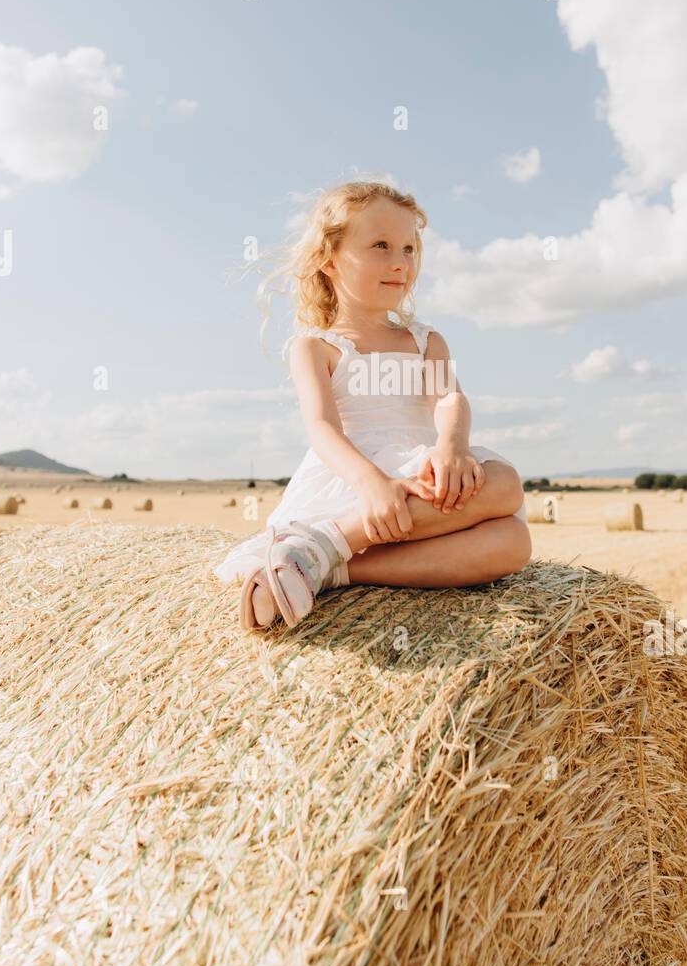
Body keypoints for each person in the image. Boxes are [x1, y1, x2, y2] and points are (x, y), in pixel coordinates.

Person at [213, 179, 532, 630]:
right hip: (354, 483)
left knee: (513, 530)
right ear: (328, 260)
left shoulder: (425, 341)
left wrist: (453, 448)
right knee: (504, 496)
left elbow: (449, 397)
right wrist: (373, 484)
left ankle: (330, 562)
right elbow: (322, 428)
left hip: (421, 476)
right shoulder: (316, 346)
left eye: (408, 249)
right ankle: (331, 537)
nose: (399, 263)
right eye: (380, 245)